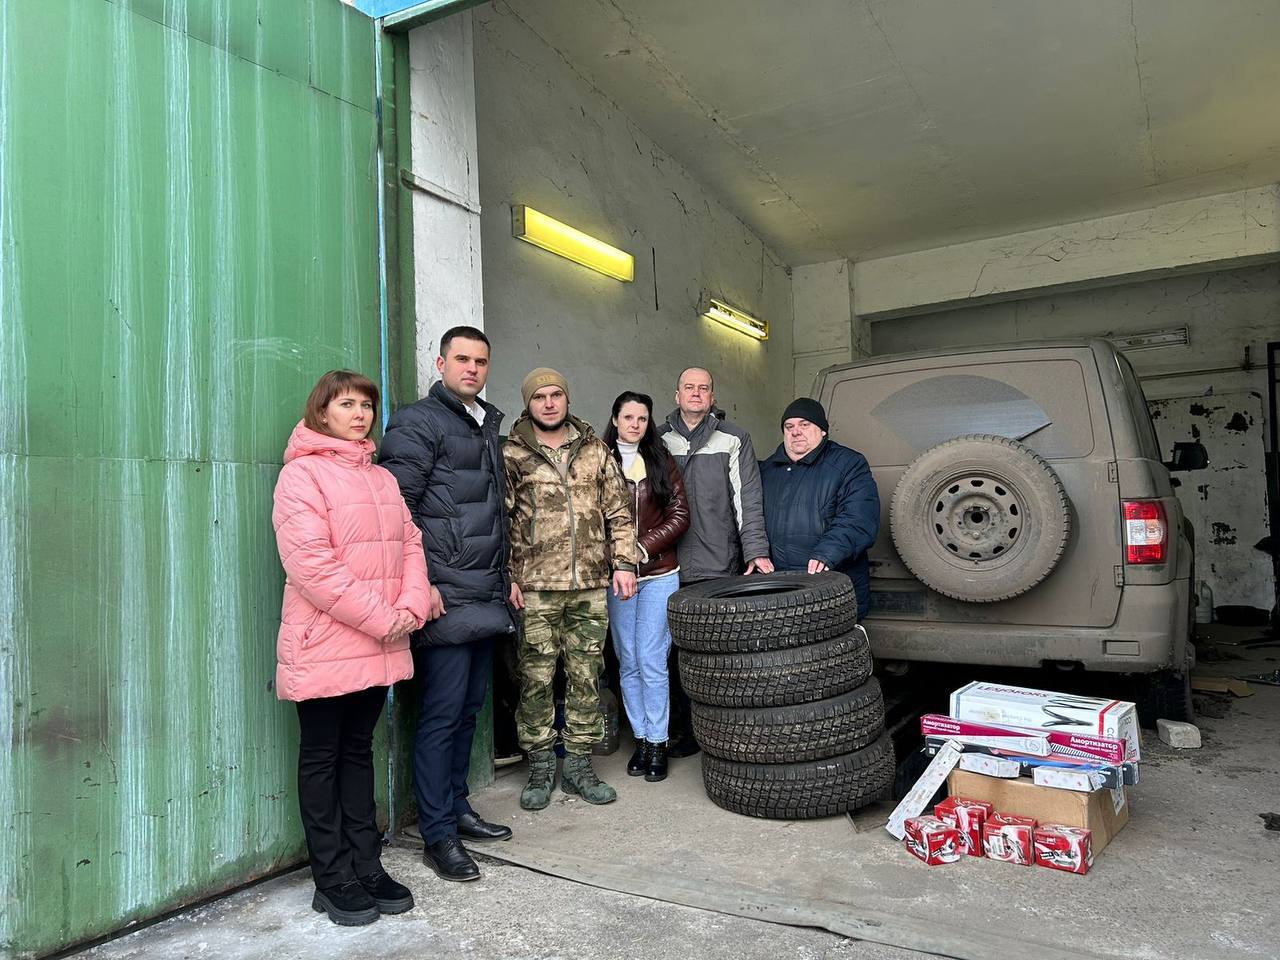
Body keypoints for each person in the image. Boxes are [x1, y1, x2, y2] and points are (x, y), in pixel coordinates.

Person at [272, 370, 431, 926]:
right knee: (321, 756)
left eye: (366, 405)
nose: (360, 414)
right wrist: (386, 619)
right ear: (322, 412)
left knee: (358, 752)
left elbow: (410, 544)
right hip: (326, 643)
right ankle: (331, 874)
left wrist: (411, 606)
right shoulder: (301, 478)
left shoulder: (381, 479)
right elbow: (311, 566)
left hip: (378, 640)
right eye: (346, 404)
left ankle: (367, 864)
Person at [379, 326, 515, 885]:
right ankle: (437, 834)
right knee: (438, 716)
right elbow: (395, 507)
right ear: (440, 362)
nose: (472, 369)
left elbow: (491, 512)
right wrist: (421, 583)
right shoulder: (419, 421)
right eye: (462, 359)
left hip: (484, 588)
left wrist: (506, 576)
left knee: (466, 712)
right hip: (442, 593)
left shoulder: (483, 422)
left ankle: (456, 808)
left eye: (481, 361)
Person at [504, 368, 640, 810]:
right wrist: (508, 576)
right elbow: (500, 523)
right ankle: (541, 766)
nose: (549, 403)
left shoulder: (596, 451)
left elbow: (619, 511)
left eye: (556, 394)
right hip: (536, 586)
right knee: (535, 678)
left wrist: (623, 564)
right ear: (529, 403)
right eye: (540, 396)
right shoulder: (511, 454)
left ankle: (579, 767)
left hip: (589, 586)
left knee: (587, 676)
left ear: (567, 398)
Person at [657, 366, 771, 755]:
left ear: (712, 397)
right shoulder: (658, 439)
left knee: (719, 655)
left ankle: (722, 733)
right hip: (666, 565)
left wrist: (755, 551)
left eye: (703, 388)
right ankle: (682, 732)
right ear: (676, 395)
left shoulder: (733, 438)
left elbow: (747, 499)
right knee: (671, 655)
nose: (695, 394)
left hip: (716, 563)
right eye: (688, 387)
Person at [601, 391, 690, 783]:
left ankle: (658, 742)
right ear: (616, 419)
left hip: (659, 573)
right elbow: (589, 519)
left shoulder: (660, 458)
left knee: (652, 657)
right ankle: (639, 738)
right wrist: (616, 556)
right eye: (628, 417)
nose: (635, 424)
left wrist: (640, 548)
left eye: (642, 418)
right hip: (615, 576)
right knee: (628, 659)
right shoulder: (598, 459)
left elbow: (680, 514)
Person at [759, 398, 880, 619]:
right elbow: (749, 519)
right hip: (777, 589)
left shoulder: (848, 464)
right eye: (789, 426)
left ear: (822, 430)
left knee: (832, 651)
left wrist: (827, 554)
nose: (796, 431)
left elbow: (859, 518)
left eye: (804, 424)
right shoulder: (766, 471)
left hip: (831, 586)